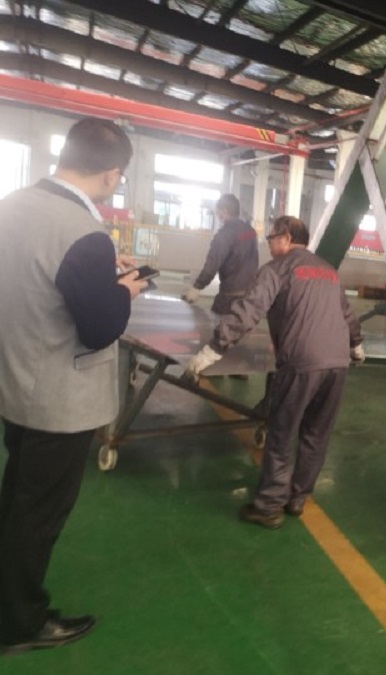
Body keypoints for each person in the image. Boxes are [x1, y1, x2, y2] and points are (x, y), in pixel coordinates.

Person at [0, 117, 147, 654]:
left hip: (14, 382)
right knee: (38, 515)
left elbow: (40, 279)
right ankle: (19, 623)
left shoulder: (13, 205)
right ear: (111, 175)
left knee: (16, 500)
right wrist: (125, 290)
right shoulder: (84, 232)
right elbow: (100, 326)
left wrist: (102, 274)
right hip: (58, 403)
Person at [184, 215, 363, 529]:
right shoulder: (328, 271)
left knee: (281, 434)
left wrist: (212, 350)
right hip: (337, 363)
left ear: (288, 237)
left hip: (301, 363)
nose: (268, 243)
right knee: (316, 434)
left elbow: (249, 310)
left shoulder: (277, 269)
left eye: (271, 237)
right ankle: (298, 498)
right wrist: (356, 344)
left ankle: (268, 507)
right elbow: (346, 314)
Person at [182, 193, 259, 315]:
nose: (217, 215)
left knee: (216, 323)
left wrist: (197, 287)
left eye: (218, 211)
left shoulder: (224, 235)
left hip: (230, 297)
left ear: (224, 211)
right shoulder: (250, 232)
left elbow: (212, 266)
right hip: (249, 296)